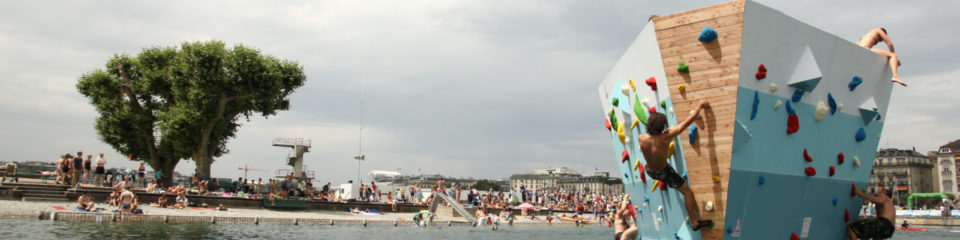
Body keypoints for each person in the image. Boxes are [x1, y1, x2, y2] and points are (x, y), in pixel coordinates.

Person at [638, 99, 713, 231]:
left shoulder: (641, 138)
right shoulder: (666, 137)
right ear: (662, 126)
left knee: (663, 169)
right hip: (664, 172)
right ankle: (695, 222)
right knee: (687, 192)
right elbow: (686, 123)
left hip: (650, 171)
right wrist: (699, 106)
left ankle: (694, 216)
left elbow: (652, 140)